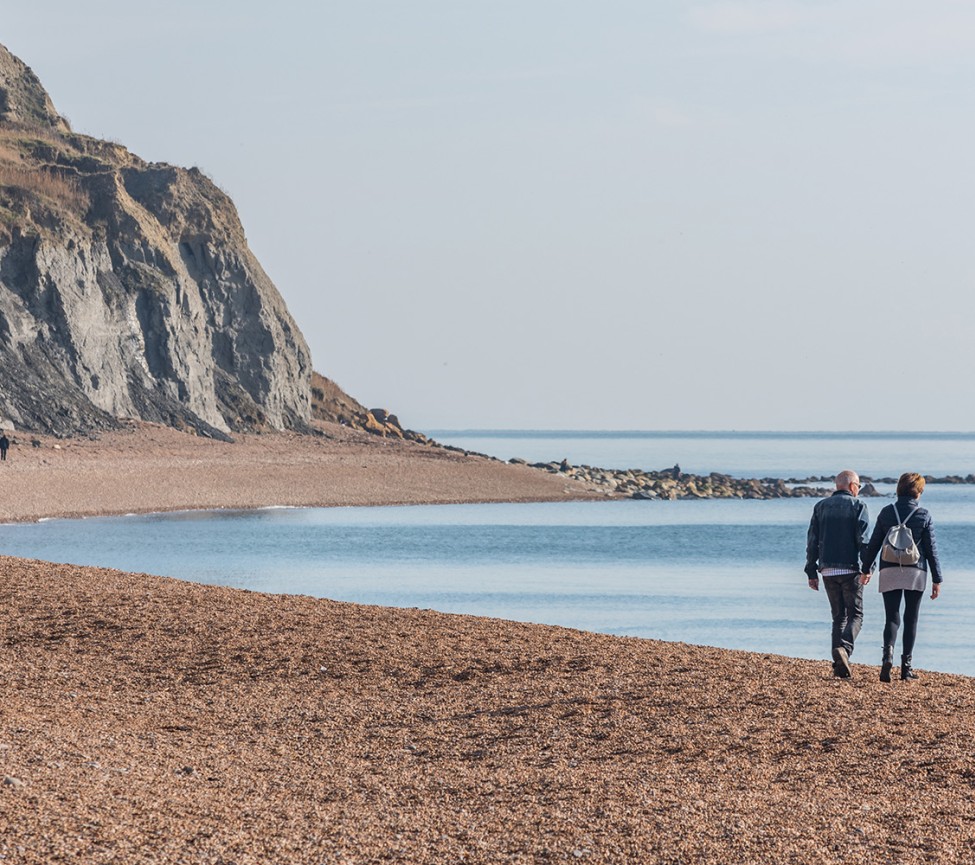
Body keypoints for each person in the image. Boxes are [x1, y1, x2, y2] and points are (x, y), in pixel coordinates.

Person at [860, 472, 942, 682]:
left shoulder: (887, 512)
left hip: (889, 569)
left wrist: (866, 568)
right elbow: (931, 550)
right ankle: (906, 668)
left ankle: (887, 656)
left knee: (892, 617)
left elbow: (874, 543)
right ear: (919, 492)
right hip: (916, 569)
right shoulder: (924, 514)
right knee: (911, 618)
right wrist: (937, 579)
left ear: (899, 489)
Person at [804, 470, 872, 678]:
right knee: (856, 614)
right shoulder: (859, 506)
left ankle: (839, 666)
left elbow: (812, 540)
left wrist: (811, 570)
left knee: (838, 617)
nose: (859, 490)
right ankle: (845, 650)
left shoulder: (821, 506)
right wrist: (868, 567)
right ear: (852, 486)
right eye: (858, 486)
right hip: (851, 569)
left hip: (827, 570)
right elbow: (864, 540)